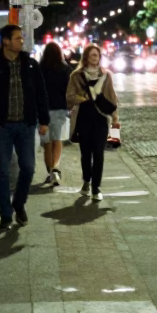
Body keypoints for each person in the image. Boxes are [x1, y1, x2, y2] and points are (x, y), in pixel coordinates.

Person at [0, 24, 50, 229]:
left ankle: (19, 203)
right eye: (17, 38)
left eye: (21, 38)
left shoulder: (30, 64)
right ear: (6, 41)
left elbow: (41, 93)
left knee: (28, 167)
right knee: (3, 172)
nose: (21, 41)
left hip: (26, 125)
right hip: (1, 127)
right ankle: (5, 215)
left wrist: (44, 120)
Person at [66, 44, 119, 201]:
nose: (94, 58)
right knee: (85, 154)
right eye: (92, 55)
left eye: (97, 55)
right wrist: (83, 98)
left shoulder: (106, 75)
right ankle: (86, 181)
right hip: (83, 118)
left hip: (101, 119)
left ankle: (96, 187)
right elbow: (69, 97)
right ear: (86, 57)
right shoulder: (76, 76)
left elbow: (112, 97)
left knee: (99, 153)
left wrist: (115, 117)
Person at [38, 42, 71, 187]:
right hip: (59, 108)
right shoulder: (64, 69)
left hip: (43, 109)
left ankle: (51, 171)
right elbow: (68, 90)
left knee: (47, 143)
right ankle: (55, 169)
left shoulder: (40, 69)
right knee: (57, 139)